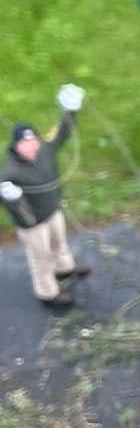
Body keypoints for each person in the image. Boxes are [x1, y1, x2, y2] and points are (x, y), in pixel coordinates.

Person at [1, 84, 90, 314]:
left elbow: (63, 132)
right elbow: (5, 194)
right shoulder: (9, 172)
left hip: (53, 211)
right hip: (32, 225)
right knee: (41, 258)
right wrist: (8, 196)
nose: (30, 147)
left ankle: (64, 268)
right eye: (24, 144)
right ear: (16, 146)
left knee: (60, 243)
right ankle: (47, 292)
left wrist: (70, 110)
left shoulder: (46, 150)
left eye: (33, 142)